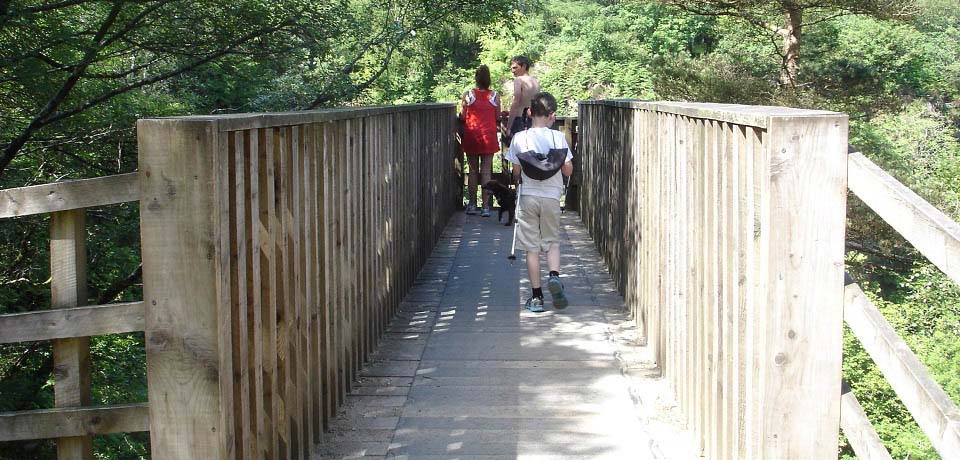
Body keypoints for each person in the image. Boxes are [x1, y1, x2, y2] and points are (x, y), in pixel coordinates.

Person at [506, 92, 573, 312]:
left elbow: (516, 172)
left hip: (529, 197)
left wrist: (518, 180)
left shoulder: (520, 138)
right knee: (552, 241)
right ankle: (554, 276)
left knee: (532, 249)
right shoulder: (558, 138)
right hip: (552, 196)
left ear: (529, 112)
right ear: (552, 116)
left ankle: (536, 297)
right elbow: (568, 169)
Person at [459, 65, 501, 217]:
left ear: (476, 78)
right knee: (486, 171)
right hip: (488, 136)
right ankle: (486, 207)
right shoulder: (495, 95)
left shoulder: (468, 94)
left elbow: (463, 116)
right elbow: (497, 116)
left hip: (472, 135)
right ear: (488, 78)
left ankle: (471, 205)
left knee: (473, 171)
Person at [505, 56, 540, 145]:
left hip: (519, 119)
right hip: (533, 120)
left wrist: (508, 127)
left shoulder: (519, 80)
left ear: (524, 66)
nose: (513, 71)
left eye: (515, 67)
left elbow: (516, 102)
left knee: (518, 151)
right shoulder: (535, 81)